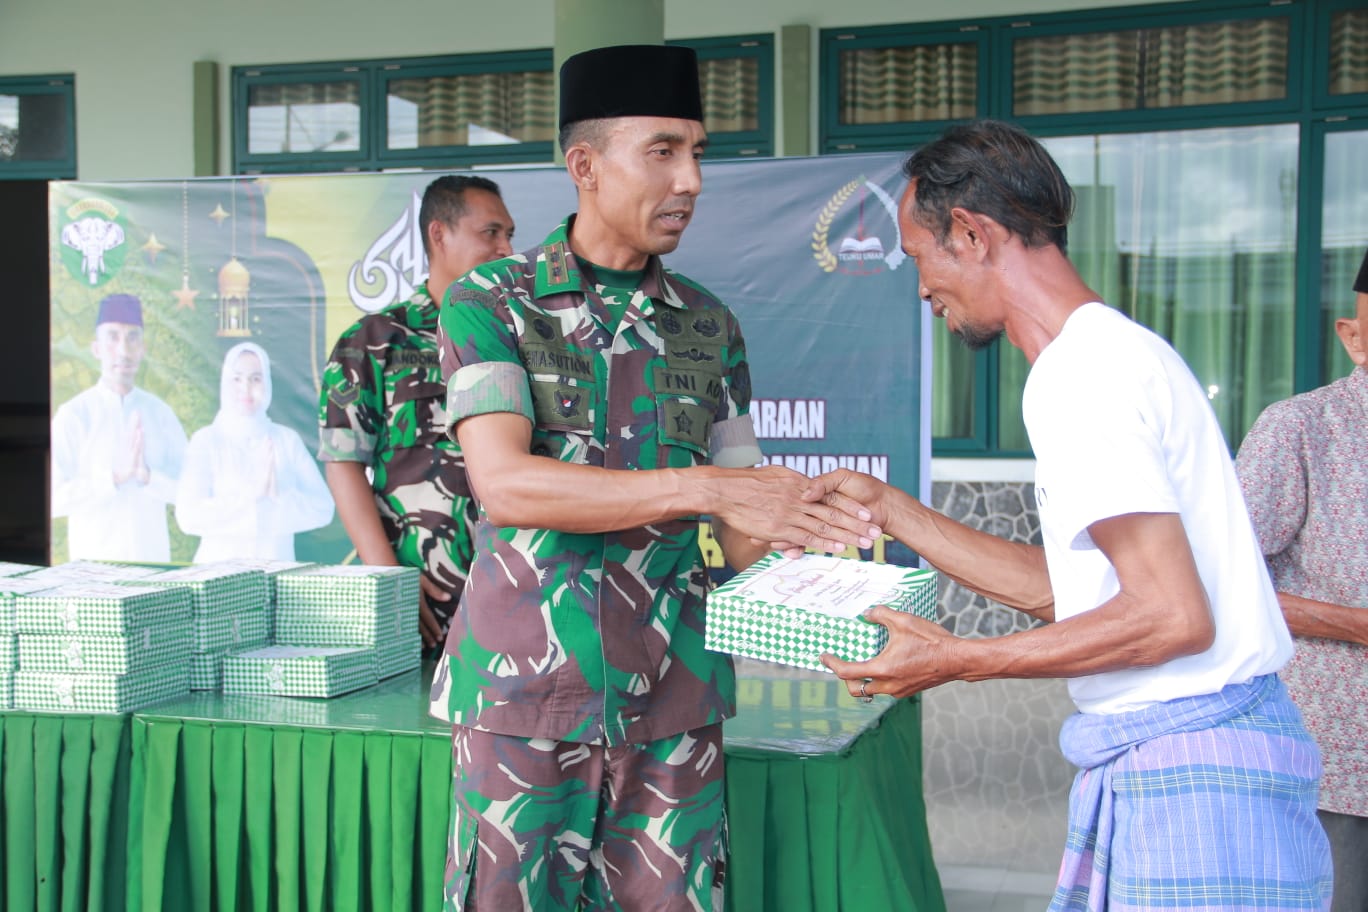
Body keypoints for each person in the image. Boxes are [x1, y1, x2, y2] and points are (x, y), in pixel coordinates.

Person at [803, 120, 1332, 911]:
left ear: (974, 235)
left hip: (1199, 782)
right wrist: (892, 511)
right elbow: (1080, 597)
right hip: (1204, 765)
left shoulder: (1081, 375)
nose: (921, 289)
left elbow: (1169, 617)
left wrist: (961, 659)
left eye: (920, 257)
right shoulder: (1104, 355)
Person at [428, 44, 879, 911]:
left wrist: (822, 542)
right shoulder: (491, 302)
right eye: (664, 151)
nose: (693, 181)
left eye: (699, 153)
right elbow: (508, 484)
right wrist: (704, 488)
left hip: (675, 700)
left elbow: (746, 524)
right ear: (585, 166)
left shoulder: (709, 326)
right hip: (526, 697)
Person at [318, 175, 516, 654]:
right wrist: (389, 582)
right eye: (490, 233)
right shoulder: (375, 339)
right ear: (439, 234)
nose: (506, 248)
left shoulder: (521, 341)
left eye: (510, 234)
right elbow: (343, 462)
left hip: (518, 594)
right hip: (426, 600)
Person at [1235, 248, 1368, 912]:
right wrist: (1354, 625)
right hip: (1337, 772)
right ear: (1353, 337)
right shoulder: (1302, 431)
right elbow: (1216, 582)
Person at [51, 293, 188, 562]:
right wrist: (113, 477)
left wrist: (149, 477)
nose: (123, 351)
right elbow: (52, 500)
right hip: (92, 574)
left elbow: (189, 495)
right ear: (96, 348)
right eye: (113, 337)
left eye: (132, 338)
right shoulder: (75, 415)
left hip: (152, 567)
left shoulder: (160, 414)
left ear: (143, 349)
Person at [176, 341, 333, 561]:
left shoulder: (286, 440)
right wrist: (251, 495)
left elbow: (323, 509)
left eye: (256, 378)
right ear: (224, 383)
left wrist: (280, 499)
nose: (246, 388)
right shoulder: (206, 441)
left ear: (267, 383)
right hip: (217, 576)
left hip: (276, 571)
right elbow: (188, 516)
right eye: (237, 378)